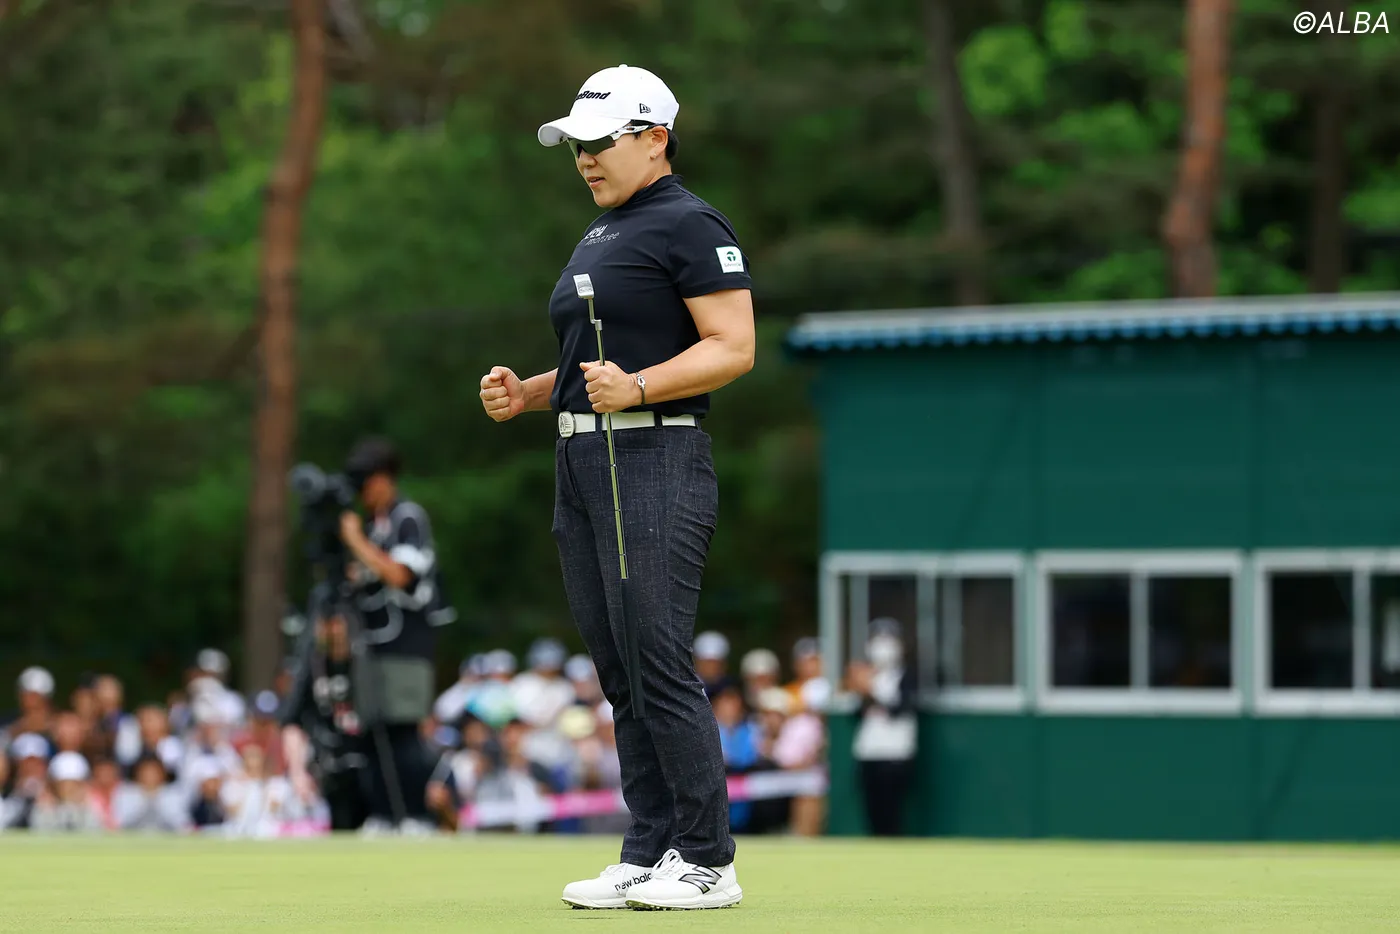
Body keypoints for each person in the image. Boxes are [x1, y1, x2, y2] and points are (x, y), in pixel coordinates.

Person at [479, 63, 753, 910]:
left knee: (657, 656)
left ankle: (707, 860)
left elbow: (734, 345)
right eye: (576, 146)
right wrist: (530, 392)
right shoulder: (602, 231)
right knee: (619, 667)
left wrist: (636, 388)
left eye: (600, 143)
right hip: (582, 462)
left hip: (655, 456)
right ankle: (650, 847)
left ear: (655, 139)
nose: (585, 159)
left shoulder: (689, 221)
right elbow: (596, 364)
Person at [337, 437, 444, 834]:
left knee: (403, 731)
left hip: (406, 644)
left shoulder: (407, 518)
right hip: (371, 644)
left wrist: (355, 542)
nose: (362, 493)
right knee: (371, 732)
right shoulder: (373, 525)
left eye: (365, 483)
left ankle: (415, 815)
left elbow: (402, 575)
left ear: (383, 479)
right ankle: (382, 815)